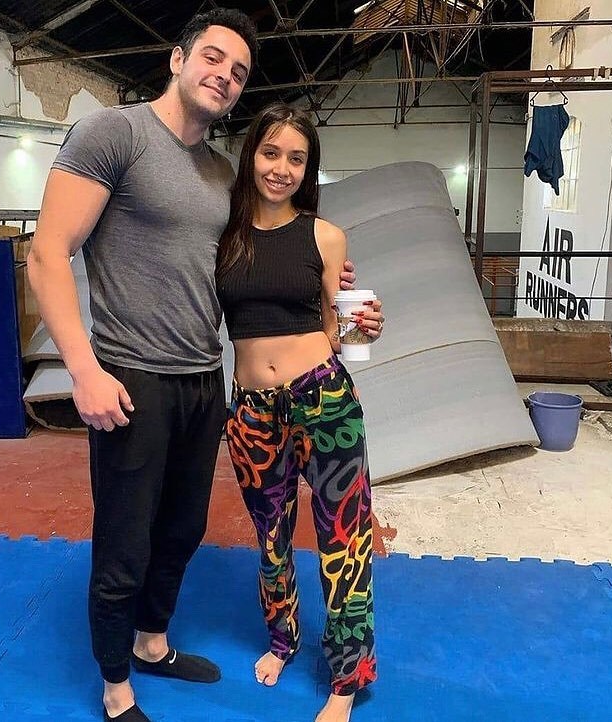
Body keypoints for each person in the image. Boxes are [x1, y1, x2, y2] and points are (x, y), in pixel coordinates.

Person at [28, 7, 383, 721]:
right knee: (131, 540)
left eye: (239, 71)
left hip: (214, 382)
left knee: (189, 528)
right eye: (213, 58)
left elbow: (289, 277)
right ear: (177, 57)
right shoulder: (114, 133)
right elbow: (47, 252)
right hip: (141, 377)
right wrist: (84, 370)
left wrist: (343, 297)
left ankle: (157, 643)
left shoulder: (224, 178)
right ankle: (117, 688)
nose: (224, 75)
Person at [216, 103, 379, 722]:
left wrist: (368, 325)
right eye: (270, 152)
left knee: (345, 539)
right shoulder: (224, 235)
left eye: (296, 158)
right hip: (251, 411)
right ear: (251, 155)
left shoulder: (325, 236)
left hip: (324, 399)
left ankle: (347, 679)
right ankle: (282, 640)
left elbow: (345, 327)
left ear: (308, 169)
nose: (281, 168)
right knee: (271, 538)